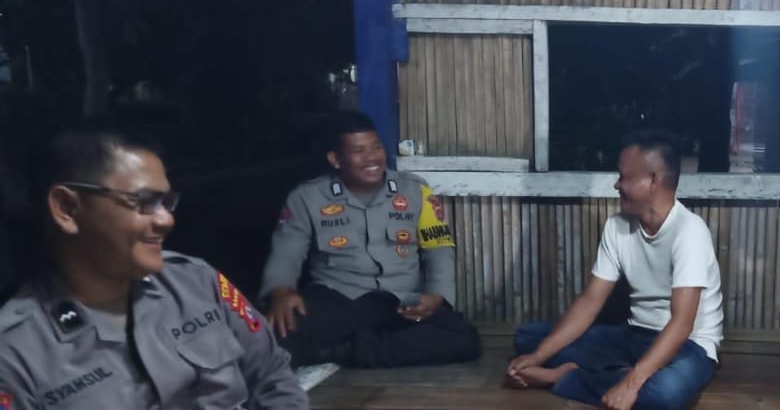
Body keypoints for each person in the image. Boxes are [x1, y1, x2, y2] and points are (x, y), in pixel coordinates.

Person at [0, 121, 306, 409]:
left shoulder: (197, 282)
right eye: (144, 201)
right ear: (67, 208)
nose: (166, 219)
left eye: (165, 202)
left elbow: (272, 375)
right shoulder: (15, 355)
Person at [506, 130, 722, 410]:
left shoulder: (689, 231)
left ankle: (565, 378)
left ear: (653, 180)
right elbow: (590, 302)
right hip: (634, 336)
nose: (616, 185)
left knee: (665, 394)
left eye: (624, 177)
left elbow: (682, 324)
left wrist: (631, 384)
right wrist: (537, 357)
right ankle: (621, 374)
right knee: (528, 338)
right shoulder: (617, 227)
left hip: (688, 345)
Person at [259, 111, 480, 368]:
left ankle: (348, 349)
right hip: (339, 300)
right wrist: (281, 291)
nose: (372, 157)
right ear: (336, 159)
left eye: (376, 147)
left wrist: (436, 296)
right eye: (359, 151)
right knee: (275, 336)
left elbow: (438, 248)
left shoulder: (416, 190)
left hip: (401, 302)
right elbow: (287, 253)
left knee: (463, 338)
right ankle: (368, 345)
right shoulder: (307, 197)